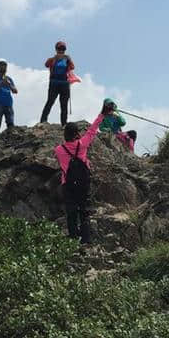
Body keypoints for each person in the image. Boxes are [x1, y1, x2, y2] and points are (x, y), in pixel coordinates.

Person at [54, 99, 113, 243]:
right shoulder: (83, 144)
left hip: (68, 184)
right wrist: (102, 114)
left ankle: (73, 237)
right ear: (76, 134)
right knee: (84, 210)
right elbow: (93, 130)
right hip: (83, 182)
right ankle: (86, 238)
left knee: (71, 211)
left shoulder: (59, 149)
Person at [40, 41, 75, 126]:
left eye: (63, 49)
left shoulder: (67, 59)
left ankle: (64, 123)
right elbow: (46, 64)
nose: (61, 51)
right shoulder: (52, 59)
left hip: (64, 84)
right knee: (50, 101)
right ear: (56, 49)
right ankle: (43, 120)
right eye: (59, 49)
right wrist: (55, 58)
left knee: (64, 105)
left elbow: (72, 67)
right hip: (54, 83)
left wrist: (69, 59)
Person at [0, 60, 18, 136]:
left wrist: (9, 85)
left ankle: (11, 138)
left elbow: (15, 91)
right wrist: (0, 84)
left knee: (10, 122)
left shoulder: (9, 79)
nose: (4, 68)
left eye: (5, 67)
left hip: (8, 103)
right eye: (2, 66)